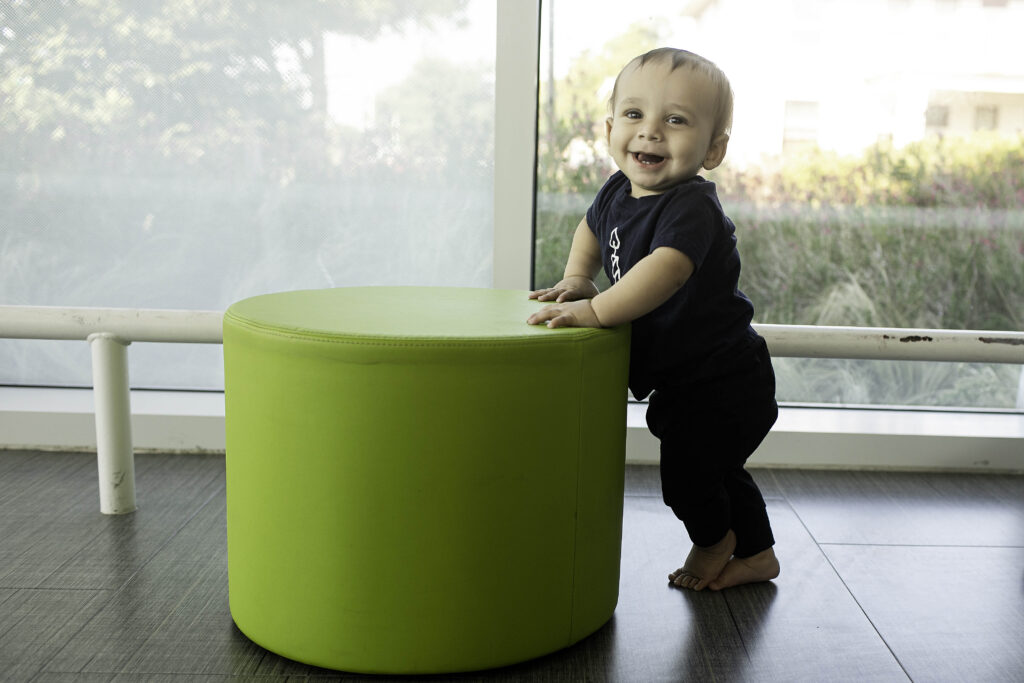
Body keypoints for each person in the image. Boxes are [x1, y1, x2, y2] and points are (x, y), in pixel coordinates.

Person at [527, 47, 780, 591]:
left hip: (726, 379)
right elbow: (591, 229)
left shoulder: (691, 207)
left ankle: (714, 545)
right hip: (689, 380)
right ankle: (759, 557)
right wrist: (579, 277)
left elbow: (665, 270)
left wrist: (595, 310)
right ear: (611, 127)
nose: (651, 132)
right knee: (718, 471)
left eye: (676, 120)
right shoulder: (618, 189)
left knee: (688, 482)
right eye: (636, 115)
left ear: (712, 149)